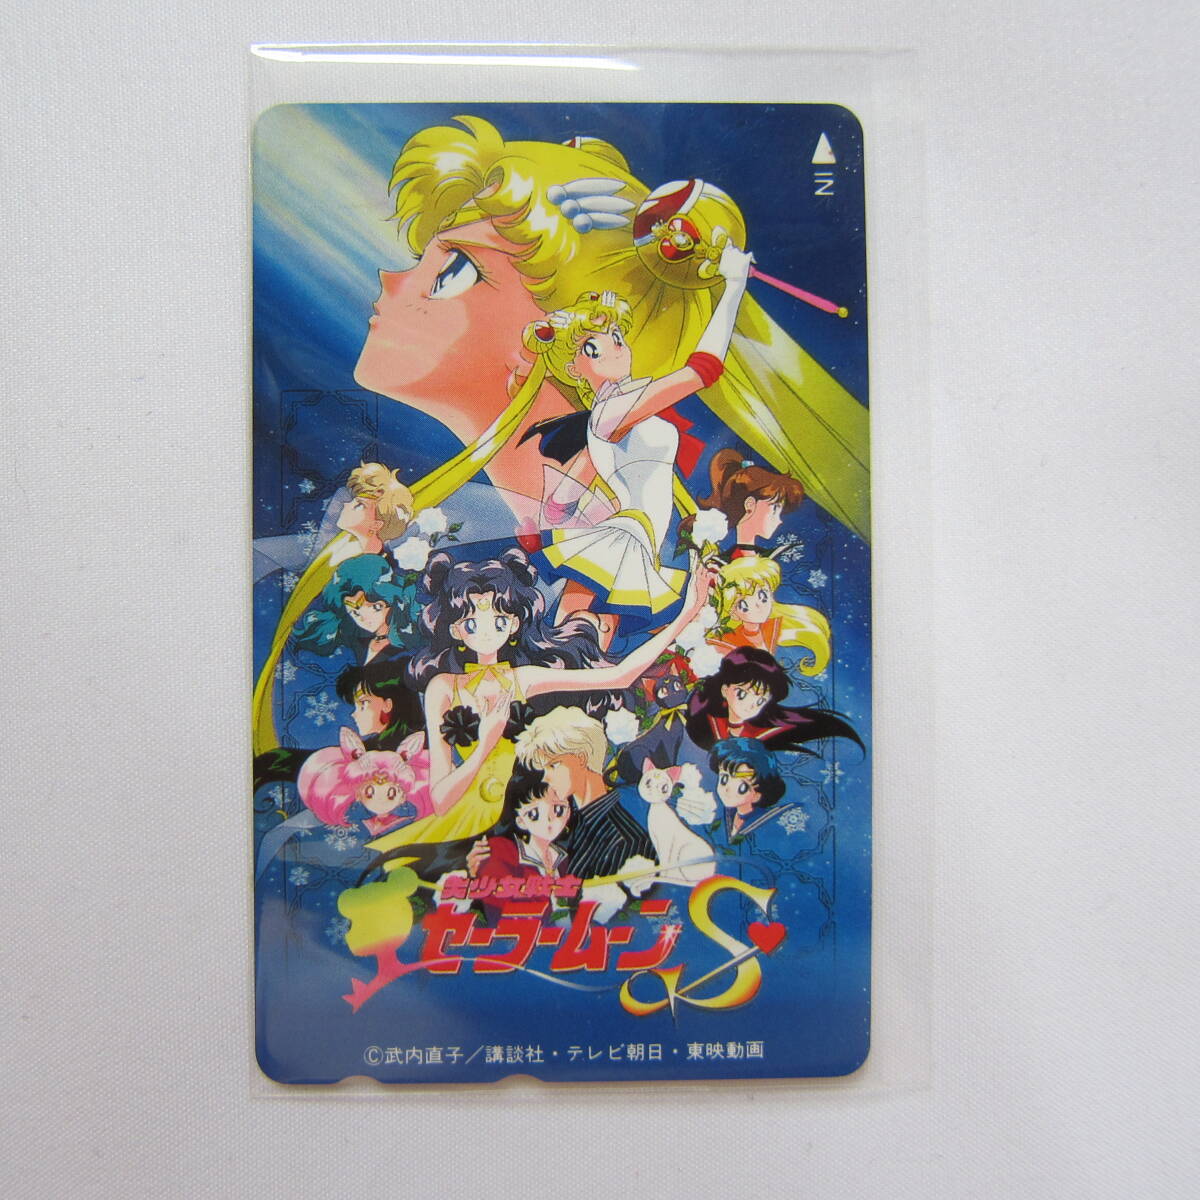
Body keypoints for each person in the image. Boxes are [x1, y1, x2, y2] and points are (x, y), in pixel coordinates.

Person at [365, 548, 714, 861]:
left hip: (526, 817)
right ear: (456, 630)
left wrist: (687, 613)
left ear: (514, 623)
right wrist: (486, 743)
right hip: (466, 818)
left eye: (498, 621)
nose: (485, 632)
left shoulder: (523, 679)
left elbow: (620, 676)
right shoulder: (443, 688)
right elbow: (441, 801)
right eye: (472, 622)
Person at [519, 257, 748, 641]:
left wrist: (560, 527)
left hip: (635, 536)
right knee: (571, 638)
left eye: (617, 336)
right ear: (574, 369)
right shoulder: (613, 412)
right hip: (629, 535)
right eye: (593, 348)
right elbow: (703, 370)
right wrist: (735, 285)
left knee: (588, 640)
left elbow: (560, 502)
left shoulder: (603, 418)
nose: (615, 348)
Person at [513, 706, 654, 882]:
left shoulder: (621, 838)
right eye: (544, 769)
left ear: (581, 758)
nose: (546, 778)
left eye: (553, 765)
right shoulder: (571, 822)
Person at [686, 647, 861, 755]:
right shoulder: (705, 724)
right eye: (742, 694)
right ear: (725, 690)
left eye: (760, 700)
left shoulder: (763, 734)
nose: (751, 705)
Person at [707, 554, 830, 672]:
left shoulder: (772, 627)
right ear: (733, 613)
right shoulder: (725, 644)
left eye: (763, 596)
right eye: (743, 605)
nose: (758, 606)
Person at [292, 554, 416, 666]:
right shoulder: (358, 641)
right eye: (354, 613)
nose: (363, 618)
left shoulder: (408, 642)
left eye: (376, 607)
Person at [688, 449, 806, 558]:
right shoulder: (721, 564)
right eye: (775, 509)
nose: (779, 521)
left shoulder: (766, 558)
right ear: (750, 505)